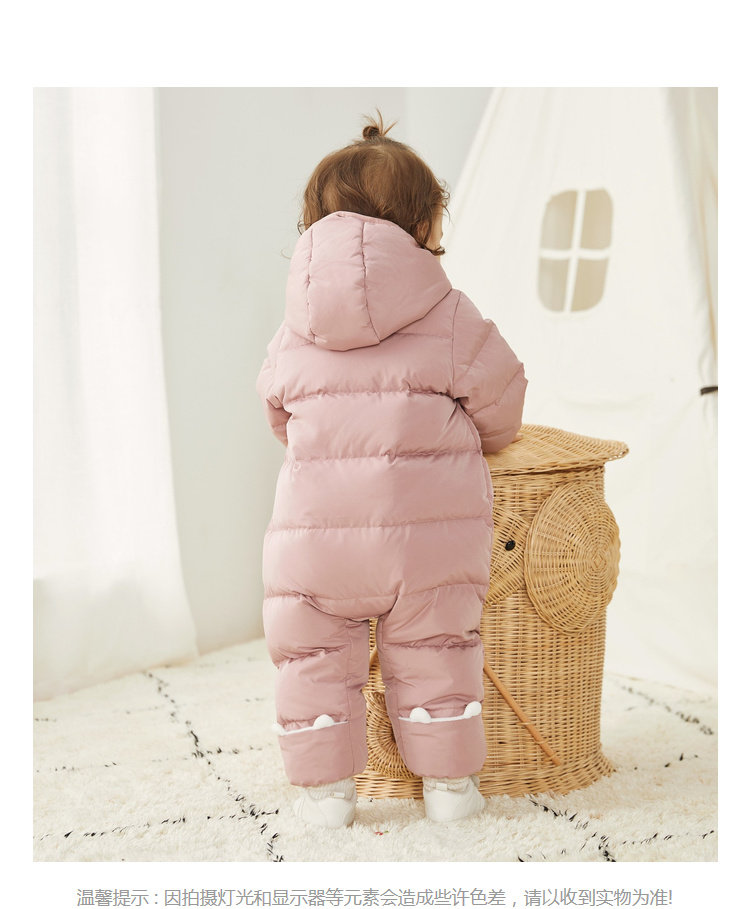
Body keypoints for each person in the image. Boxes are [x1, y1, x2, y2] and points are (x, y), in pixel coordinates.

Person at [256, 112, 527, 828]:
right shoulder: (449, 311)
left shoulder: (294, 325)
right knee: (437, 647)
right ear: (425, 222)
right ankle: (450, 788)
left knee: (311, 656)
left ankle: (325, 795)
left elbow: (279, 415)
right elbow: (503, 406)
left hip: (313, 544)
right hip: (424, 542)